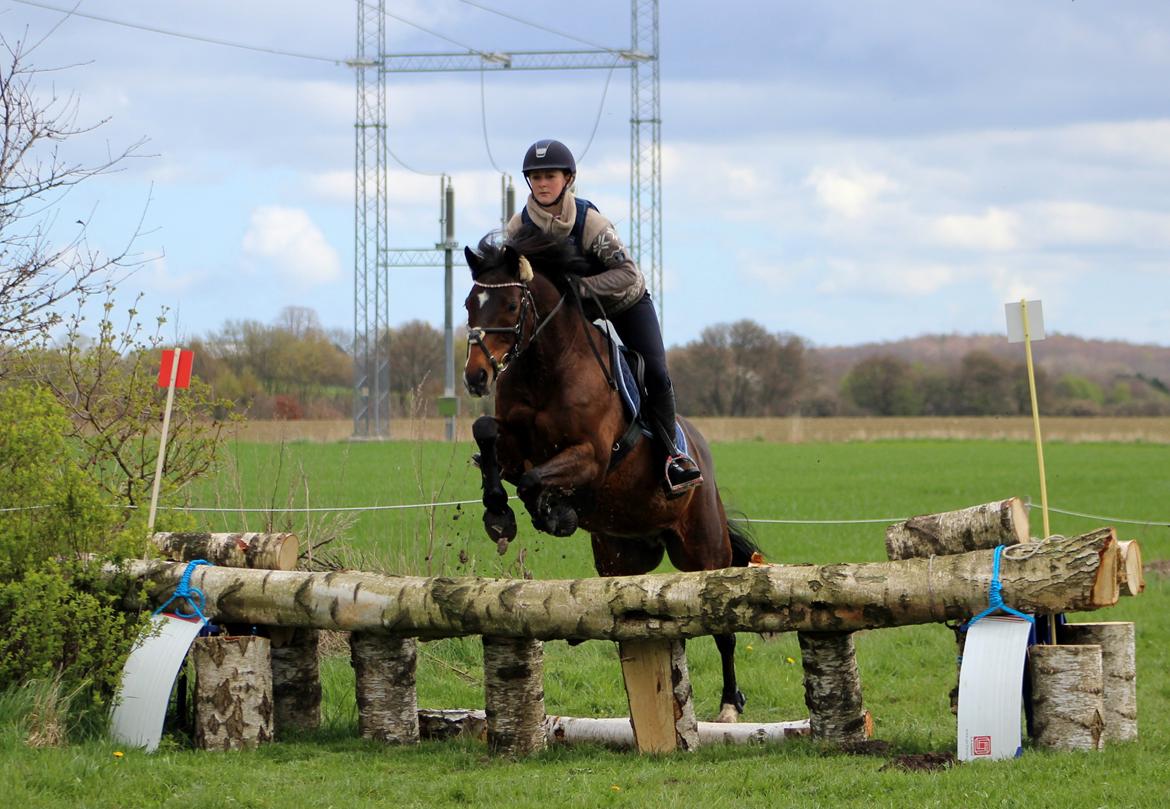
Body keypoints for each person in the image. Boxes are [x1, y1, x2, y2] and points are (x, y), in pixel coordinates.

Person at [506, 138, 702, 494]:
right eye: (535, 178)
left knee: (655, 371)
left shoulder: (590, 222)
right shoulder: (518, 228)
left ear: (568, 179)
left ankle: (674, 456)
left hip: (623, 302)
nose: (542, 184)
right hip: (570, 314)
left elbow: (627, 273)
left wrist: (580, 288)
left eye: (550, 176)